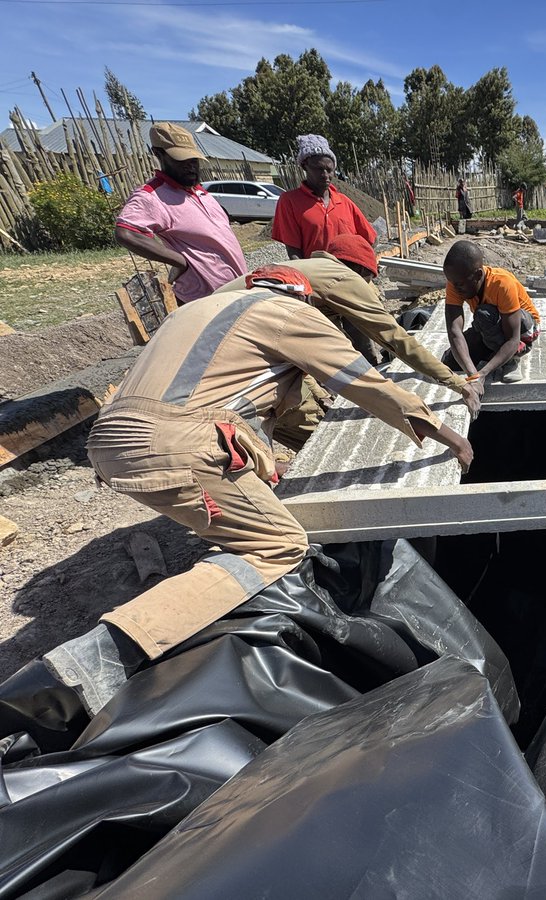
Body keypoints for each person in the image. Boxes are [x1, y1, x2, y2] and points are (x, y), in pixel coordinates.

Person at [45, 265, 473, 714]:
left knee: (235, 511)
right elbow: (365, 384)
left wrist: (263, 467)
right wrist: (450, 436)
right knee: (279, 545)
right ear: (302, 296)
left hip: (109, 445)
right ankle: (106, 650)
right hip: (174, 449)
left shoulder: (196, 312)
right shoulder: (289, 314)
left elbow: (228, 401)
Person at [216, 233, 483, 448]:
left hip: (215, 338)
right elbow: (396, 339)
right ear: (357, 269)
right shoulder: (342, 277)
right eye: (367, 281)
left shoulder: (310, 271)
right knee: (319, 437)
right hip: (236, 355)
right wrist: (458, 383)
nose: (367, 288)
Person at [114, 123, 247, 304]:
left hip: (235, 292)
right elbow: (126, 233)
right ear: (158, 154)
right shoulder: (153, 196)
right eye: (181, 161)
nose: (190, 167)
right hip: (202, 300)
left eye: (193, 160)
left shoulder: (199, 191)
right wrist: (180, 262)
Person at [442, 240, 540, 385]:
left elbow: (512, 340)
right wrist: (472, 374)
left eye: (459, 284)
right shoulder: (456, 283)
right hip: (491, 326)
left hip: (524, 330)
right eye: (452, 282)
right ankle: (494, 354)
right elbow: (454, 331)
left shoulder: (502, 283)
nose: (455, 288)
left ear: (478, 275)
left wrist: (483, 373)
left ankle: (512, 359)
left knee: (484, 314)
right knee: (451, 362)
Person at [272, 134, 376, 259]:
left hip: (345, 270)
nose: (325, 175)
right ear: (305, 166)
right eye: (319, 169)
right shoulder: (290, 201)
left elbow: (370, 239)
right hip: (314, 270)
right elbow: (294, 252)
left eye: (329, 170)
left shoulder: (343, 202)